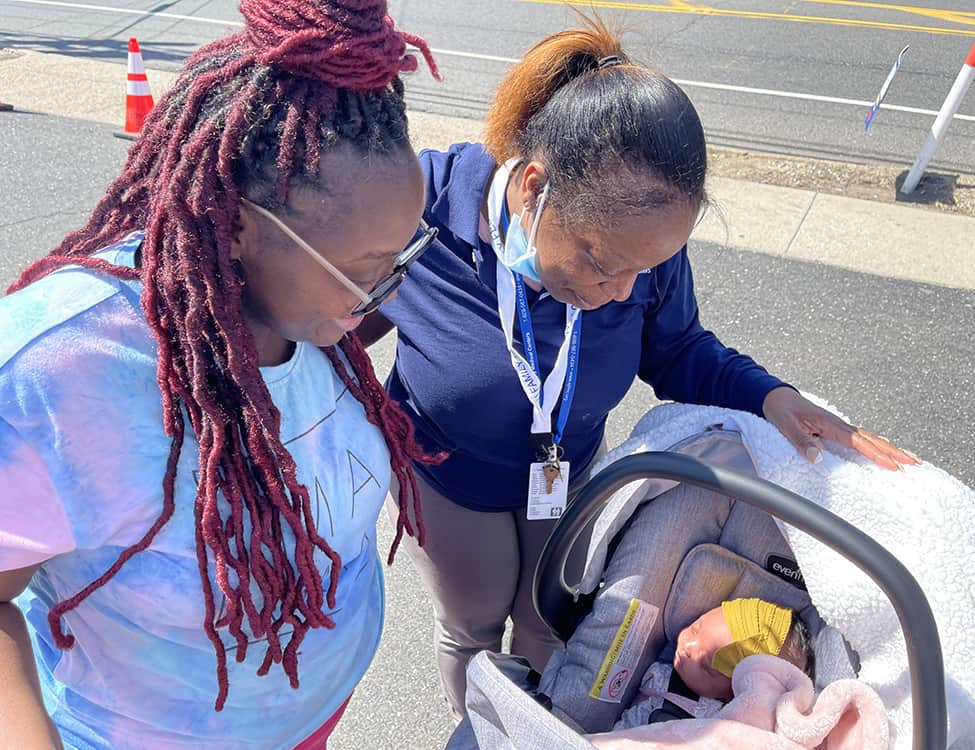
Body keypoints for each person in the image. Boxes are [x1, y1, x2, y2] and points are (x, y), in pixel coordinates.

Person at [357, 19, 917, 719]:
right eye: (598, 261)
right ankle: (477, 727)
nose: (621, 291)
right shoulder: (425, 208)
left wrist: (770, 396)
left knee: (546, 621)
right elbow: (339, 319)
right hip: (445, 476)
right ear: (534, 188)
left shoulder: (641, 245)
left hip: (565, 473)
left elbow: (678, 349)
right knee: (471, 624)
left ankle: (535, 725)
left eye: (642, 270)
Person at [0, 1, 442, 747]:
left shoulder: (312, 307)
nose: (383, 298)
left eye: (401, 259)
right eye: (364, 273)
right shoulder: (57, 369)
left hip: (309, 722)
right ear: (237, 223)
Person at [614, 598, 814, 729]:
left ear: (733, 694)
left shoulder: (729, 724)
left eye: (705, 665)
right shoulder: (659, 675)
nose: (687, 646)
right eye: (695, 628)